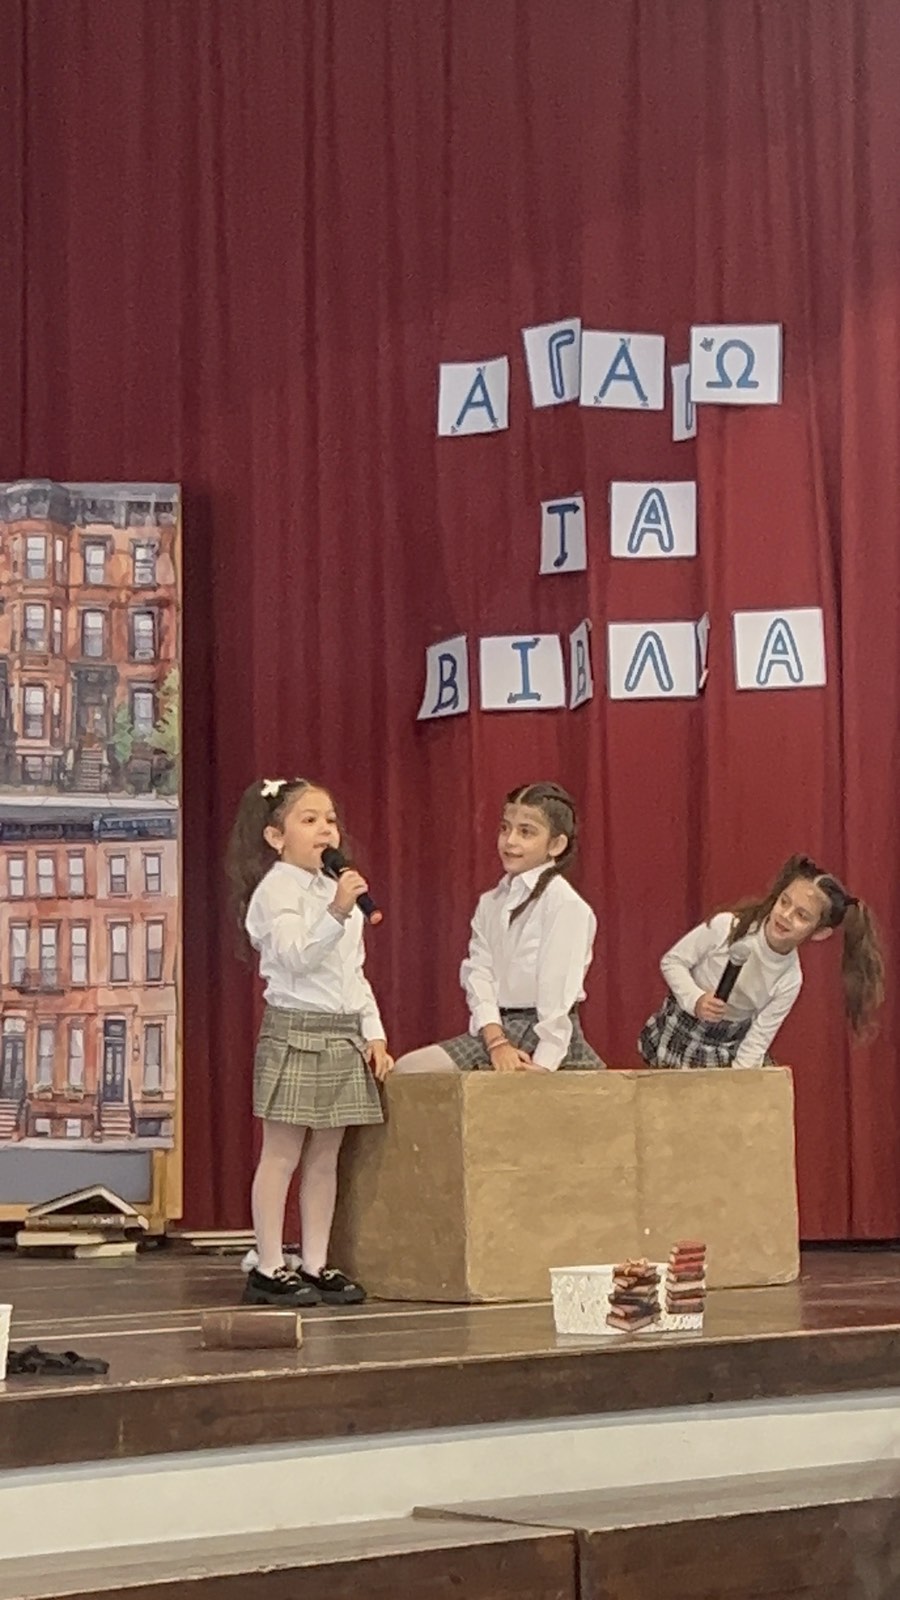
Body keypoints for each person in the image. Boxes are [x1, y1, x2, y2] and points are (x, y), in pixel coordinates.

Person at [226, 776, 392, 1308]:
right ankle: (268, 1264)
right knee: (282, 1154)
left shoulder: (333, 888)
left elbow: (353, 973)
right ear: (276, 837)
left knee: (325, 1156)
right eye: (310, 819)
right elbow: (297, 956)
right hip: (296, 1030)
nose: (326, 829)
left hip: (341, 1033)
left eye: (331, 819)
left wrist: (374, 1032)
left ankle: (315, 1262)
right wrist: (338, 911)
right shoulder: (276, 891)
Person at [394, 782, 605, 1075]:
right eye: (505, 828)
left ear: (556, 845)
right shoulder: (491, 902)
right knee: (408, 1070)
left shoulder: (564, 904)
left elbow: (557, 994)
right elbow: (479, 973)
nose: (510, 841)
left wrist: (544, 1066)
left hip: (546, 1034)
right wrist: (495, 1040)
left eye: (526, 832)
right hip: (497, 1031)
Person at [639, 853, 885, 1070]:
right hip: (686, 1028)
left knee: (759, 1093)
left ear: (819, 933)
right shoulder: (727, 926)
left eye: (801, 915)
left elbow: (758, 1039)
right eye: (784, 902)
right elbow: (672, 962)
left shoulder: (790, 979)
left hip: (732, 1043)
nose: (786, 916)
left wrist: (741, 1082)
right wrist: (696, 1000)